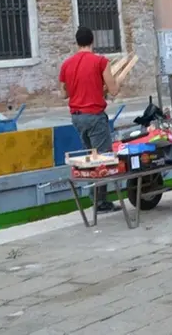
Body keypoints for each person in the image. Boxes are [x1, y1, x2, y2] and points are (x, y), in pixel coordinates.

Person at [59, 26, 121, 213]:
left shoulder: (66, 64)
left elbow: (63, 93)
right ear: (92, 41)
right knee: (103, 159)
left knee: (90, 158)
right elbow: (114, 90)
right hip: (94, 116)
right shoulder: (100, 61)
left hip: (77, 118)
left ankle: (94, 198)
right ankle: (100, 202)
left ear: (77, 42)